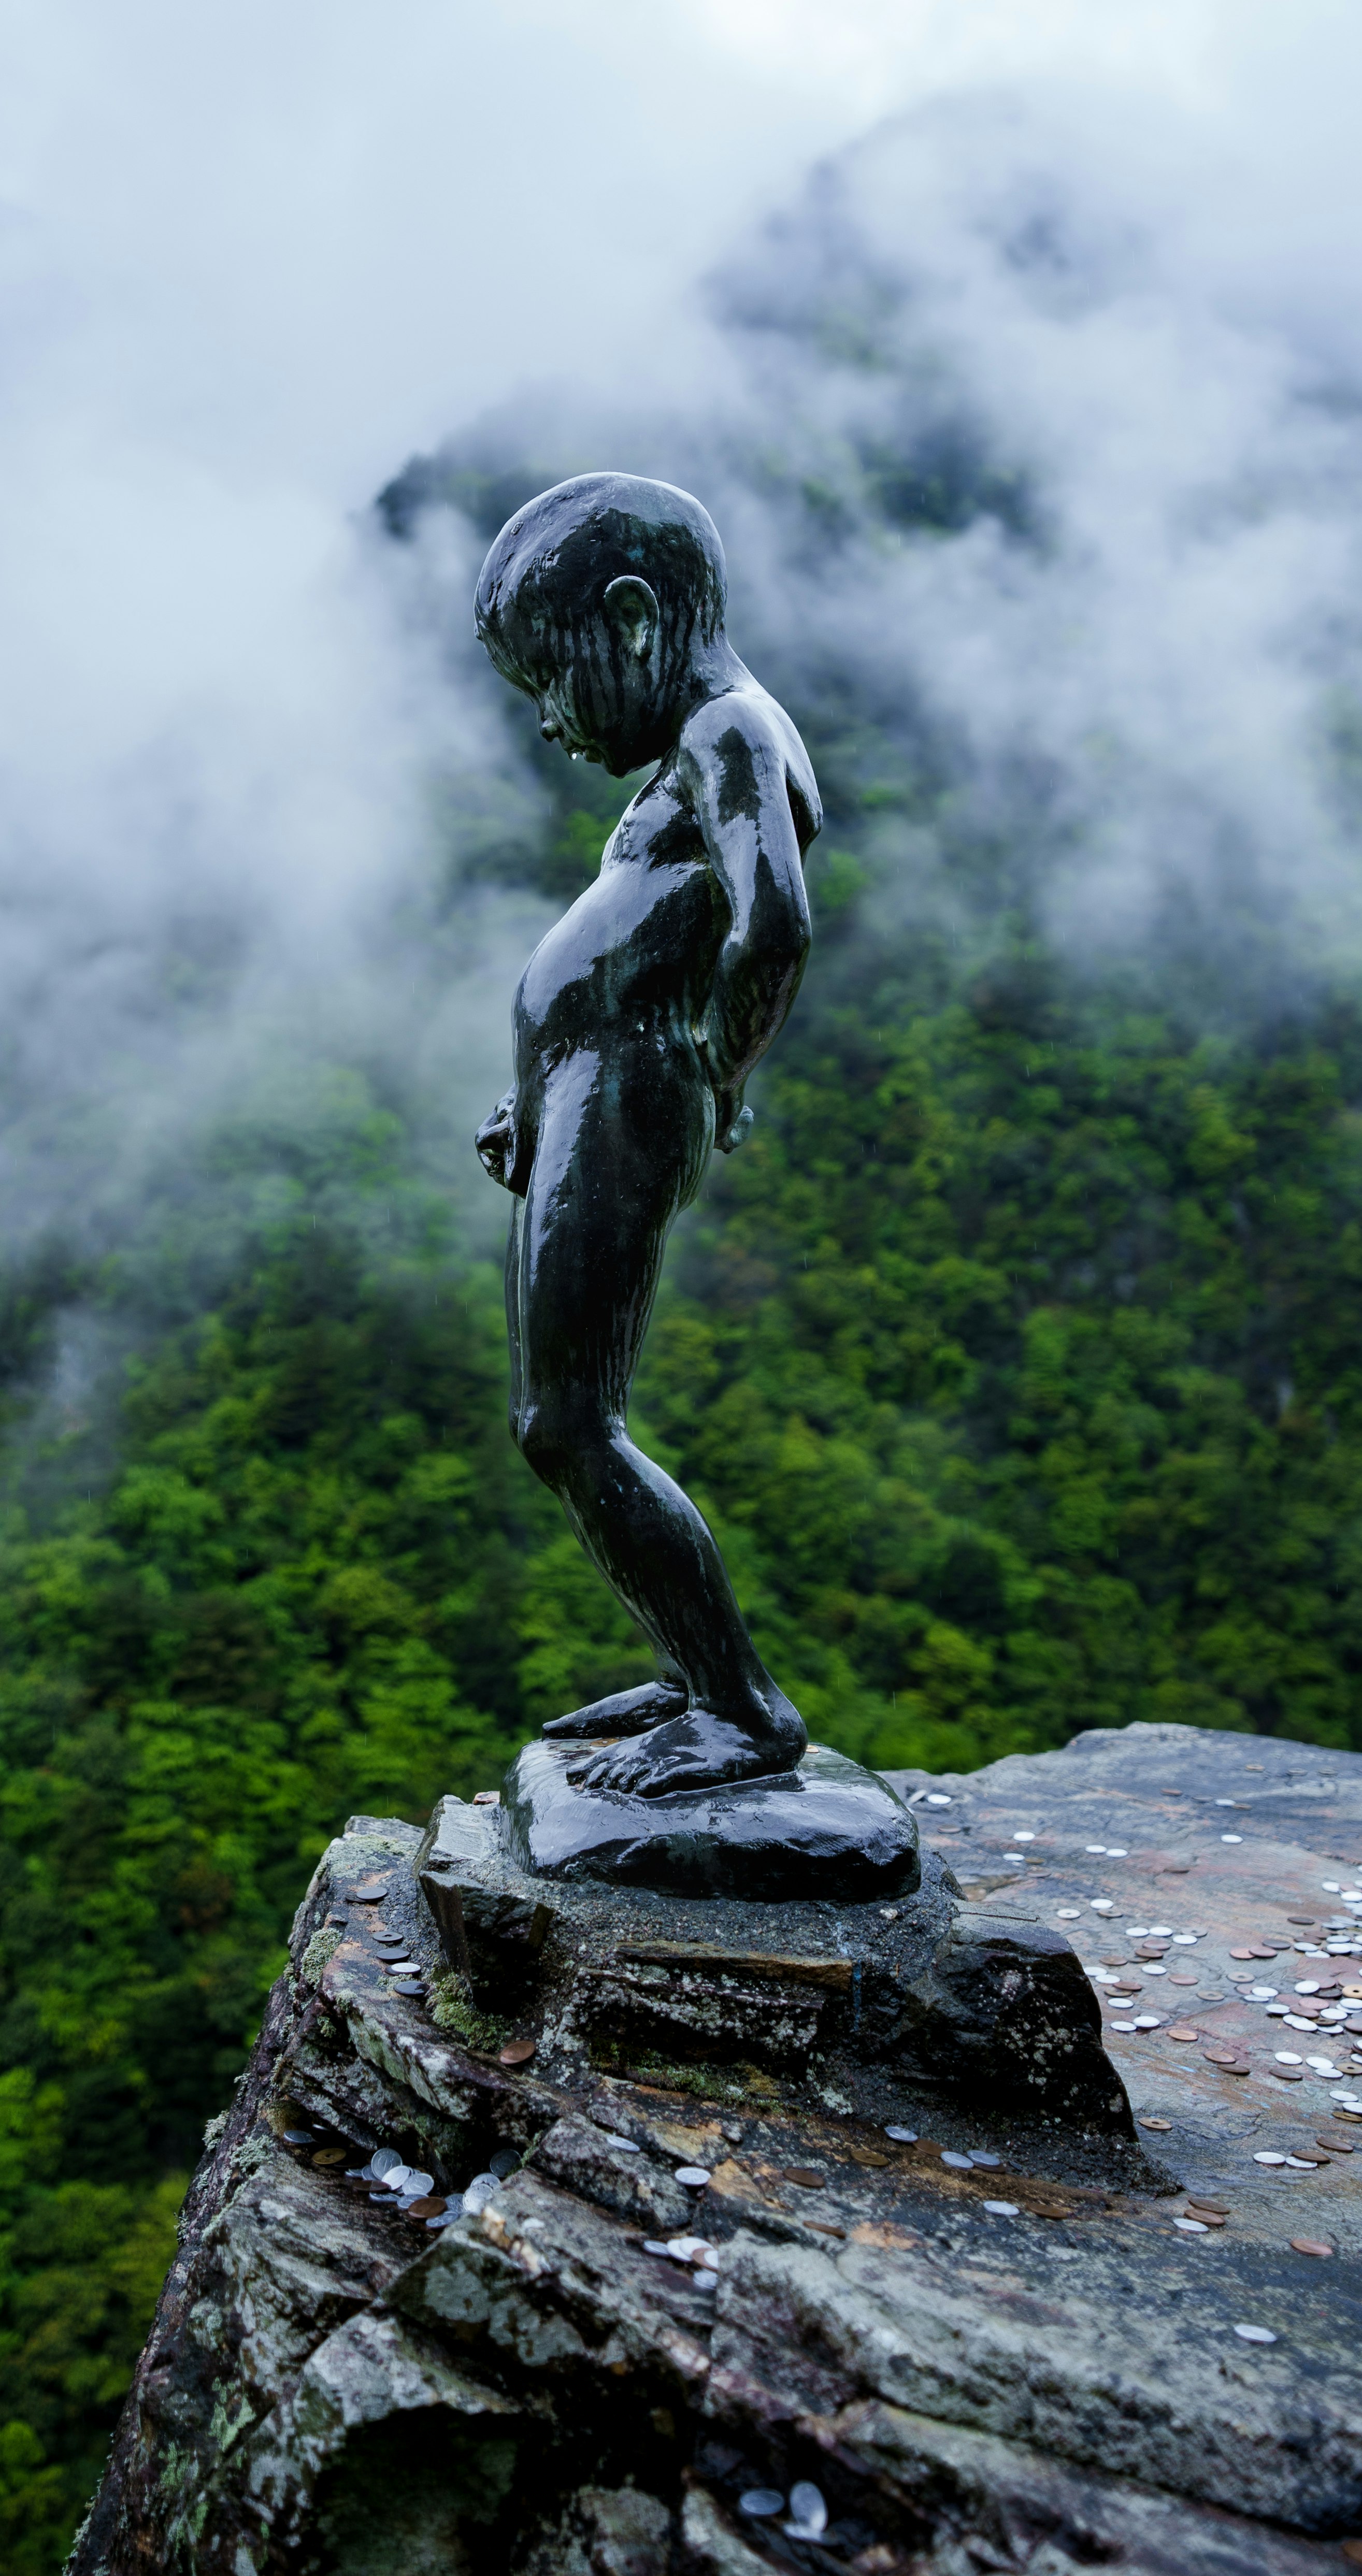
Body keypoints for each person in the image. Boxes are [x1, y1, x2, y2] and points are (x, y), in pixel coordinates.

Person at [475, 470, 822, 1797]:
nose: (554, 723)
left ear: (631, 620)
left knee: (568, 1424)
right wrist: (536, 1090)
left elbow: (771, 921)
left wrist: (712, 1067)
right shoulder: (701, 740)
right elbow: (643, 938)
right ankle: (696, 1673)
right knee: (563, 1419)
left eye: (554, 683)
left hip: (631, 1092)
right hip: (592, 1090)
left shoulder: (729, 731)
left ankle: (740, 1705)